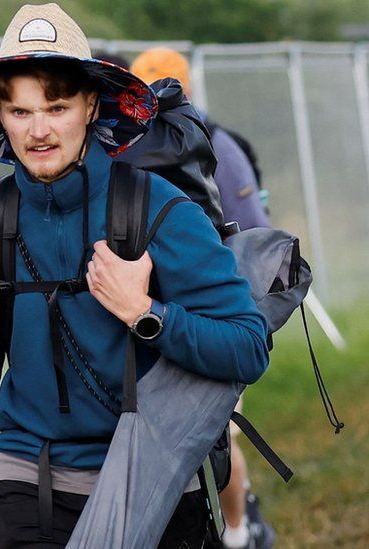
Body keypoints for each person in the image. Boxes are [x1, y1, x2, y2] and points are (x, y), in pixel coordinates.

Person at [0, 4, 269, 548]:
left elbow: (247, 348)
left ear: (91, 105)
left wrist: (145, 315)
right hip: (31, 478)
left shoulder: (160, 210)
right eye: (21, 111)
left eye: (56, 107)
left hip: (160, 480)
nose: (40, 130)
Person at [131, 46, 275, 549]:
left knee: (217, 438)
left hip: (218, 318)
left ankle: (238, 533)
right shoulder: (202, 143)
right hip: (160, 321)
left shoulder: (211, 146)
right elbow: (257, 226)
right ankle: (236, 525)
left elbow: (248, 240)